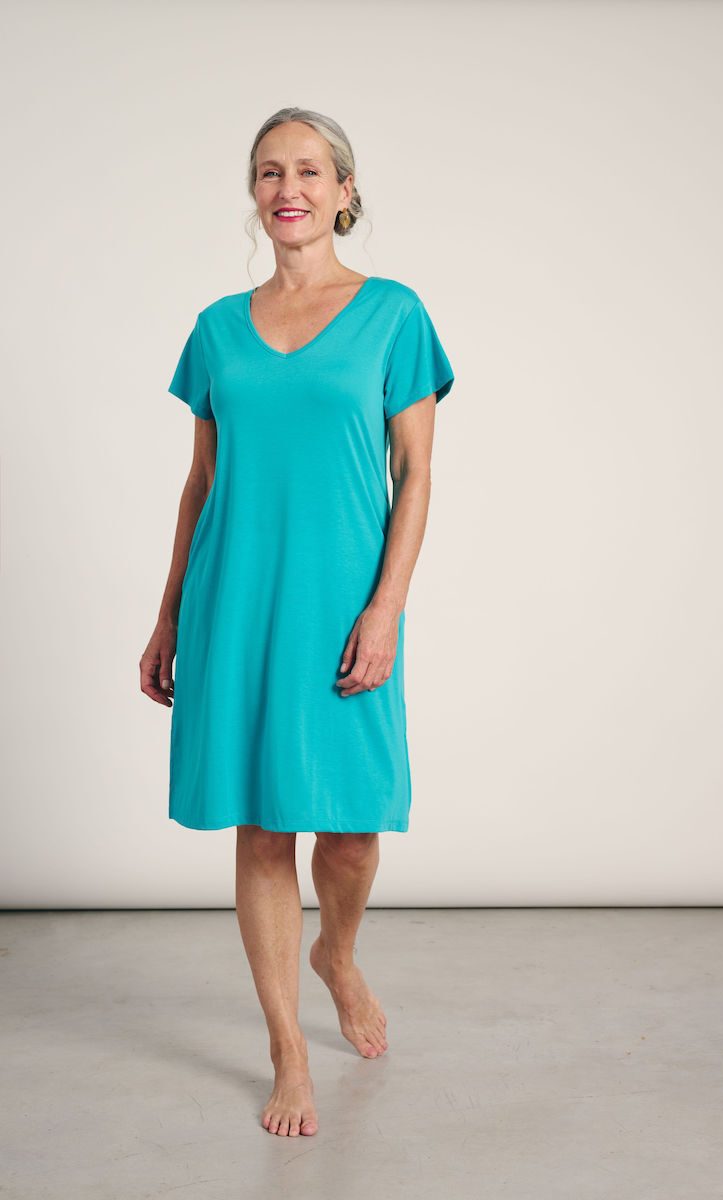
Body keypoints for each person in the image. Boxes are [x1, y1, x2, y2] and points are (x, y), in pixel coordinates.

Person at [140, 107, 454, 1138]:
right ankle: (286, 1048)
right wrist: (167, 614)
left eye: (311, 172)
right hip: (234, 599)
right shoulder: (215, 328)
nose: (291, 189)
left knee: (352, 832)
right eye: (271, 172)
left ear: (344, 191)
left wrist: (386, 607)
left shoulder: (393, 314)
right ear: (255, 191)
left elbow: (415, 475)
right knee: (263, 824)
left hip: (342, 603)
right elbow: (202, 483)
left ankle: (338, 954)